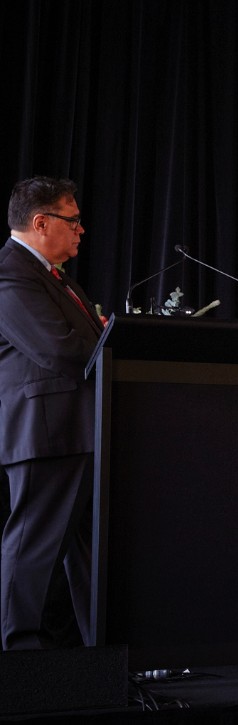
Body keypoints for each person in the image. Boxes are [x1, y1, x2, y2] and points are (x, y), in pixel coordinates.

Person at [0, 177, 103, 650]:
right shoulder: (11, 272)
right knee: (33, 548)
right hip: (46, 433)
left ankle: (94, 656)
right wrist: (106, 338)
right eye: (74, 219)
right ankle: (23, 660)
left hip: (78, 431)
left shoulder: (52, 276)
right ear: (41, 223)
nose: (81, 230)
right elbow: (59, 349)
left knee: (87, 554)